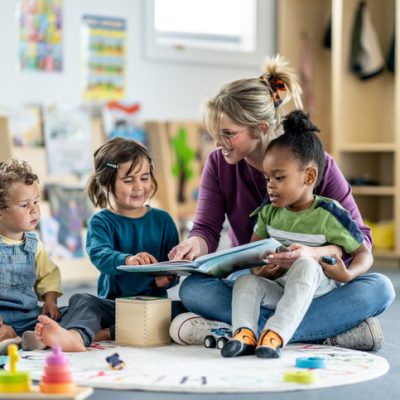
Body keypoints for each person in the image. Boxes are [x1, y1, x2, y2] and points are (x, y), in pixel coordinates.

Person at [169, 55, 395, 350]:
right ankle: (323, 332)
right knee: (194, 290)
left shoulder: (314, 164)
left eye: (228, 134)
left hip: (316, 283)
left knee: (379, 289)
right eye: (215, 134)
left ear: (261, 129)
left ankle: (246, 330)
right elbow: (206, 229)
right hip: (258, 276)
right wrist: (192, 246)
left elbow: (360, 239)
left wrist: (312, 254)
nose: (218, 143)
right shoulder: (218, 164)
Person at [221, 110, 373, 358]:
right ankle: (245, 333)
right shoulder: (269, 211)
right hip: (280, 287)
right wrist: (261, 270)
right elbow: (253, 256)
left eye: (279, 177)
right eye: (267, 177)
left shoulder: (329, 213)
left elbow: (364, 253)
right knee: (245, 282)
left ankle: (275, 334)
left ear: (309, 176)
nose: (270, 184)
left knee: (309, 266)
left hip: (317, 289)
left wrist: (348, 274)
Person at [35, 138, 181, 351]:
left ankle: (102, 333)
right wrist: (127, 260)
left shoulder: (164, 220)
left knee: (185, 306)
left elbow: (173, 268)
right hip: (114, 306)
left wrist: (167, 280)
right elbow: (100, 255)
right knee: (82, 301)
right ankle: (77, 336)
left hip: (152, 306)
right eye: (129, 180)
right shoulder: (102, 221)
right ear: (106, 183)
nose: (139, 186)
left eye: (144, 177)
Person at [0, 159, 63, 353]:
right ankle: (18, 339)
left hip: (28, 315)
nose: (34, 209)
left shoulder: (34, 244)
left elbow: (48, 274)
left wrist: (50, 301)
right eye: (24, 205)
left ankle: (30, 338)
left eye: (35, 201)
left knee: (79, 305)